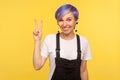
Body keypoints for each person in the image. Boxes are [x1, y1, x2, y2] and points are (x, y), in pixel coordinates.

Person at [33, 4, 92, 80]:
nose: (64, 24)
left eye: (69, 19)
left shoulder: (83, 42)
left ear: (76, 20)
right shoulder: (50, 39)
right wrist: (37, 41)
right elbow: (37, 66)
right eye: (61, 20)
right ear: (57, 22)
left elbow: (83, 71)